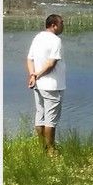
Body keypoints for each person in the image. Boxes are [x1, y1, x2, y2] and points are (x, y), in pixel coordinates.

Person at [26, 13, 66, 155]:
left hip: (37, 84)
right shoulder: (56, 40)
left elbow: (30, 59)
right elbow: (51, 63)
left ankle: (42, 147)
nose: (63, 25)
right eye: (61, 23)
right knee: (51, 120)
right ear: (54, 25)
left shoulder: (38, 37)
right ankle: (51, 150)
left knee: (40, 115)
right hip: (52, 85)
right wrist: (37, 74)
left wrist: (33, 75)